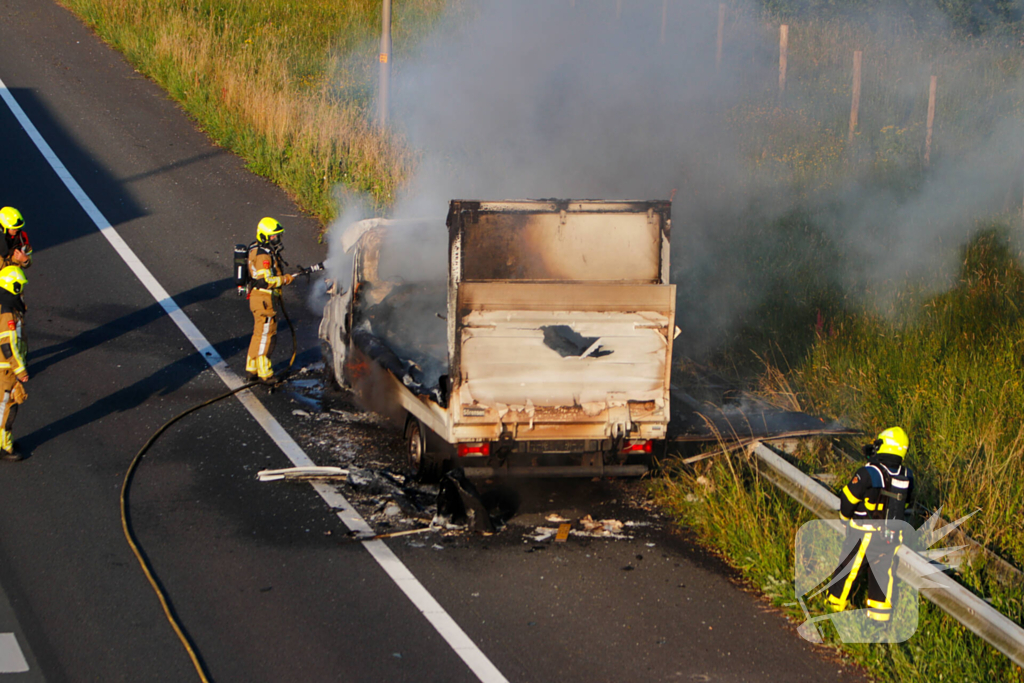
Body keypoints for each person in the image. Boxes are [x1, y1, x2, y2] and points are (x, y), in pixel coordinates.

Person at [826, 426, 915, 622]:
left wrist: (844, 518)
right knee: (882, 574)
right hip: (891, 535)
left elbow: (848, 498)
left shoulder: (868, 472)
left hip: (863, 532)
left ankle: (834, 608)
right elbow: (908, 503)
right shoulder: (907, 475)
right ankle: (879, 620)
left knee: (848, 569)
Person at [245, 217, 293, 381]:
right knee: (267, 335)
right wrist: (285, 279)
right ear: (264, 237)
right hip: (264, 300)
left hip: (260, 299)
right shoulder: (263, 257)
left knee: (258, 334)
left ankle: (251, 368)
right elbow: (266, 281)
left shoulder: (257, 249)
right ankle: (265, 372)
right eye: (273, 237)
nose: (277, 240)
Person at [0, 266, 28, 461]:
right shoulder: (7, 313)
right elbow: (8, 345)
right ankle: (5, 448)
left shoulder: (8, 307)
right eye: (19, 287)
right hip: (6, 370)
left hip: (6, 368)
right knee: (8, 407)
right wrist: (20, 370)